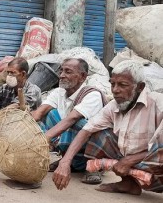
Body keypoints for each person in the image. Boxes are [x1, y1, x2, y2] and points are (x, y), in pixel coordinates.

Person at [53, 60, 163, 195]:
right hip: (134, 163)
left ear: (140, 87)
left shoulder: (158, 103)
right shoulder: (113, 106)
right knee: (97, 134)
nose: (115, 90)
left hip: (157, 166)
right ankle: (128, 184)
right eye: (112, 84)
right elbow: (86, 130)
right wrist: (65, 163)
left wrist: (130, 160)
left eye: (123, 85)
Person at [31, 58, 107, 184]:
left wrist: (43, 139)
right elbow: (40, 112)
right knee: (50, 115)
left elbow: (71, 119)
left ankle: (94, 167)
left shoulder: (92, 94)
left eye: (68, 72)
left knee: (77, 123)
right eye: (61, 71)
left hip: (91, 149)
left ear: (82, 76)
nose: (61, 75)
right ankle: (70, 162)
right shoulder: (58, 92)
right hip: (73, 146)